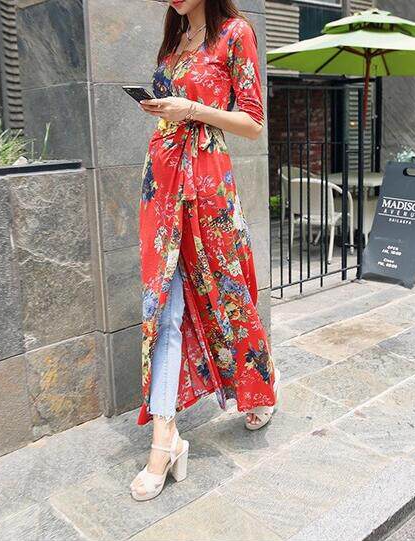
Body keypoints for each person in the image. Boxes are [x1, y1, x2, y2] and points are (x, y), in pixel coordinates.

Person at [130, 0, 280, 502]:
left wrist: (190, 109)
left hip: (208, 180)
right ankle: (164, 440)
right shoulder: (174, 40)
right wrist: (162, 108)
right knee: (163, 307)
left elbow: (253, 122)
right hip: (162, 179)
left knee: (229, 291)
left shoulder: (235, 33)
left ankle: (258, 384)